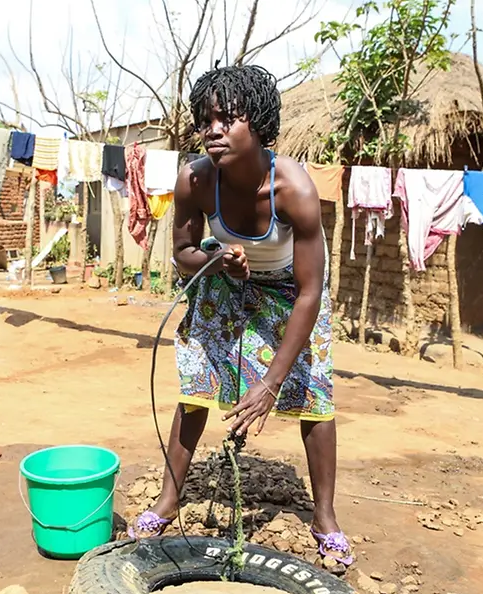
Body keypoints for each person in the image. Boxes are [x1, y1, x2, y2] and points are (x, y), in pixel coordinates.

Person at [127, 65, 352, 566]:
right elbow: (182, 252)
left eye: (228, 118)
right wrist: (216, 259)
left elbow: (311, 291)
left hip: (292, 289)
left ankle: (326, 519)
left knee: (312, 395)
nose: (214, 130)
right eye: (206, 119)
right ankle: (169, 499)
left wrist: (270, 381)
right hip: (224, 279)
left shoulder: (293, 188)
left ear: (259, 124)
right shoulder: (196, 179)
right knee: (195, 386)